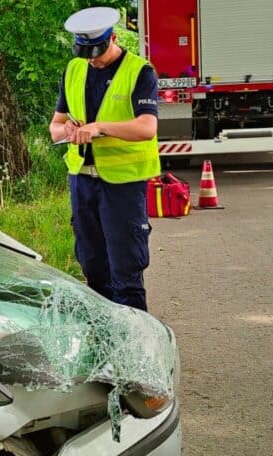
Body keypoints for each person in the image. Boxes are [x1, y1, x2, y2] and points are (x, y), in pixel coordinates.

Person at [49, 6, 160, 312]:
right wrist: (66, 129)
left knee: (126, 271)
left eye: (96, 52)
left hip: (122, 185)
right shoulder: (75, 69)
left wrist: (100, 128)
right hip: (82, 182)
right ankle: (103, 342)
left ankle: (136, 345)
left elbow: (147, 127)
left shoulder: (139, 71)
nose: (92, 60)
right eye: (85, 53)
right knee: (93, 267)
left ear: (112, 38)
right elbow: (54, 126)